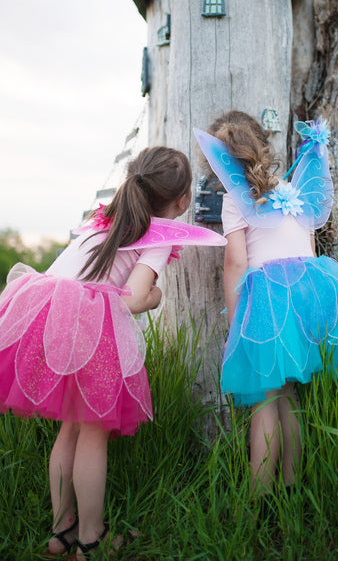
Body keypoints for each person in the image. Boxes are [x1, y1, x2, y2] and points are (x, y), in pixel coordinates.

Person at [0, 145, 225, 558]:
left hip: (48, 313)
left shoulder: (102, 220)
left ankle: (60, 531)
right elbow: (134, 299)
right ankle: (90, 538)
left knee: (69, 427)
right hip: (91, 324)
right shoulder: (159, 233)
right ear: (183, 200)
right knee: (93, 434)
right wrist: (156, 296)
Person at [195, 111, 338, 496]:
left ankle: (258, 498)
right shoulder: (293, 193)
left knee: (265, 402)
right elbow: (308, 249)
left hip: (269, 303)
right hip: (308, 298)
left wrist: (238, 326)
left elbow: (236, 263)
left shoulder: (237, 200)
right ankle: (290, 487)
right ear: (263, 147)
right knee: (289, 396)